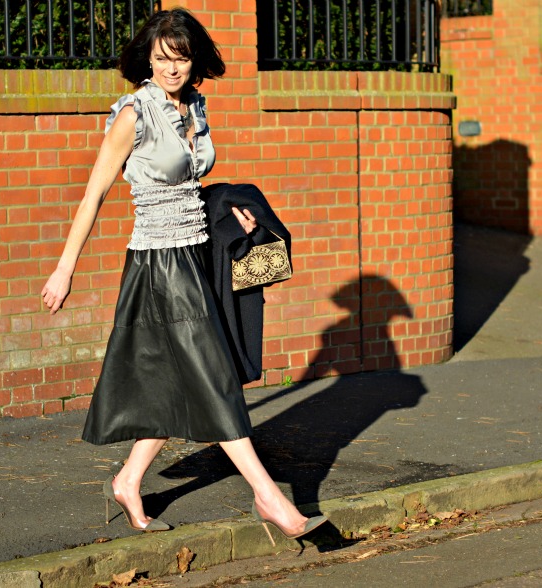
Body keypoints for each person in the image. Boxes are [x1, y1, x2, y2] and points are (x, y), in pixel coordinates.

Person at [41, 8, 327, 542]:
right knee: (213, 377)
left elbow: (192, 185)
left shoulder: (194, 105)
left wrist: (231, 211)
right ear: (147, 60)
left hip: (197, 257)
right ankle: (270, 498)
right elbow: (94, 193)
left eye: (180, 58)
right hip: (158, 267)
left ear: (193, 61)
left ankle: (128, 481)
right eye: (161, 59)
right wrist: (65, 268)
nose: (171, 69)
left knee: (183, 381)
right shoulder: (135, 113)